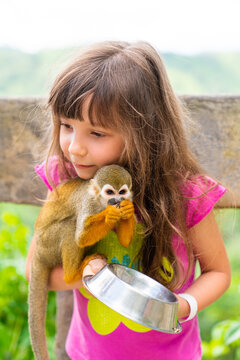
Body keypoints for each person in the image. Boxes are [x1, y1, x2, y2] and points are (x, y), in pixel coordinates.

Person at [25, 41, 231, 360]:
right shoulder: (67, 179)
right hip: (88, 354)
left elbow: (218, 272)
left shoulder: (185, 194)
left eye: (96, 134)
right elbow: (36, 271)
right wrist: (87, 275)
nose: (74, 147)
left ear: (143, 133)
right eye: (67, 126)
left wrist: (182, 307)